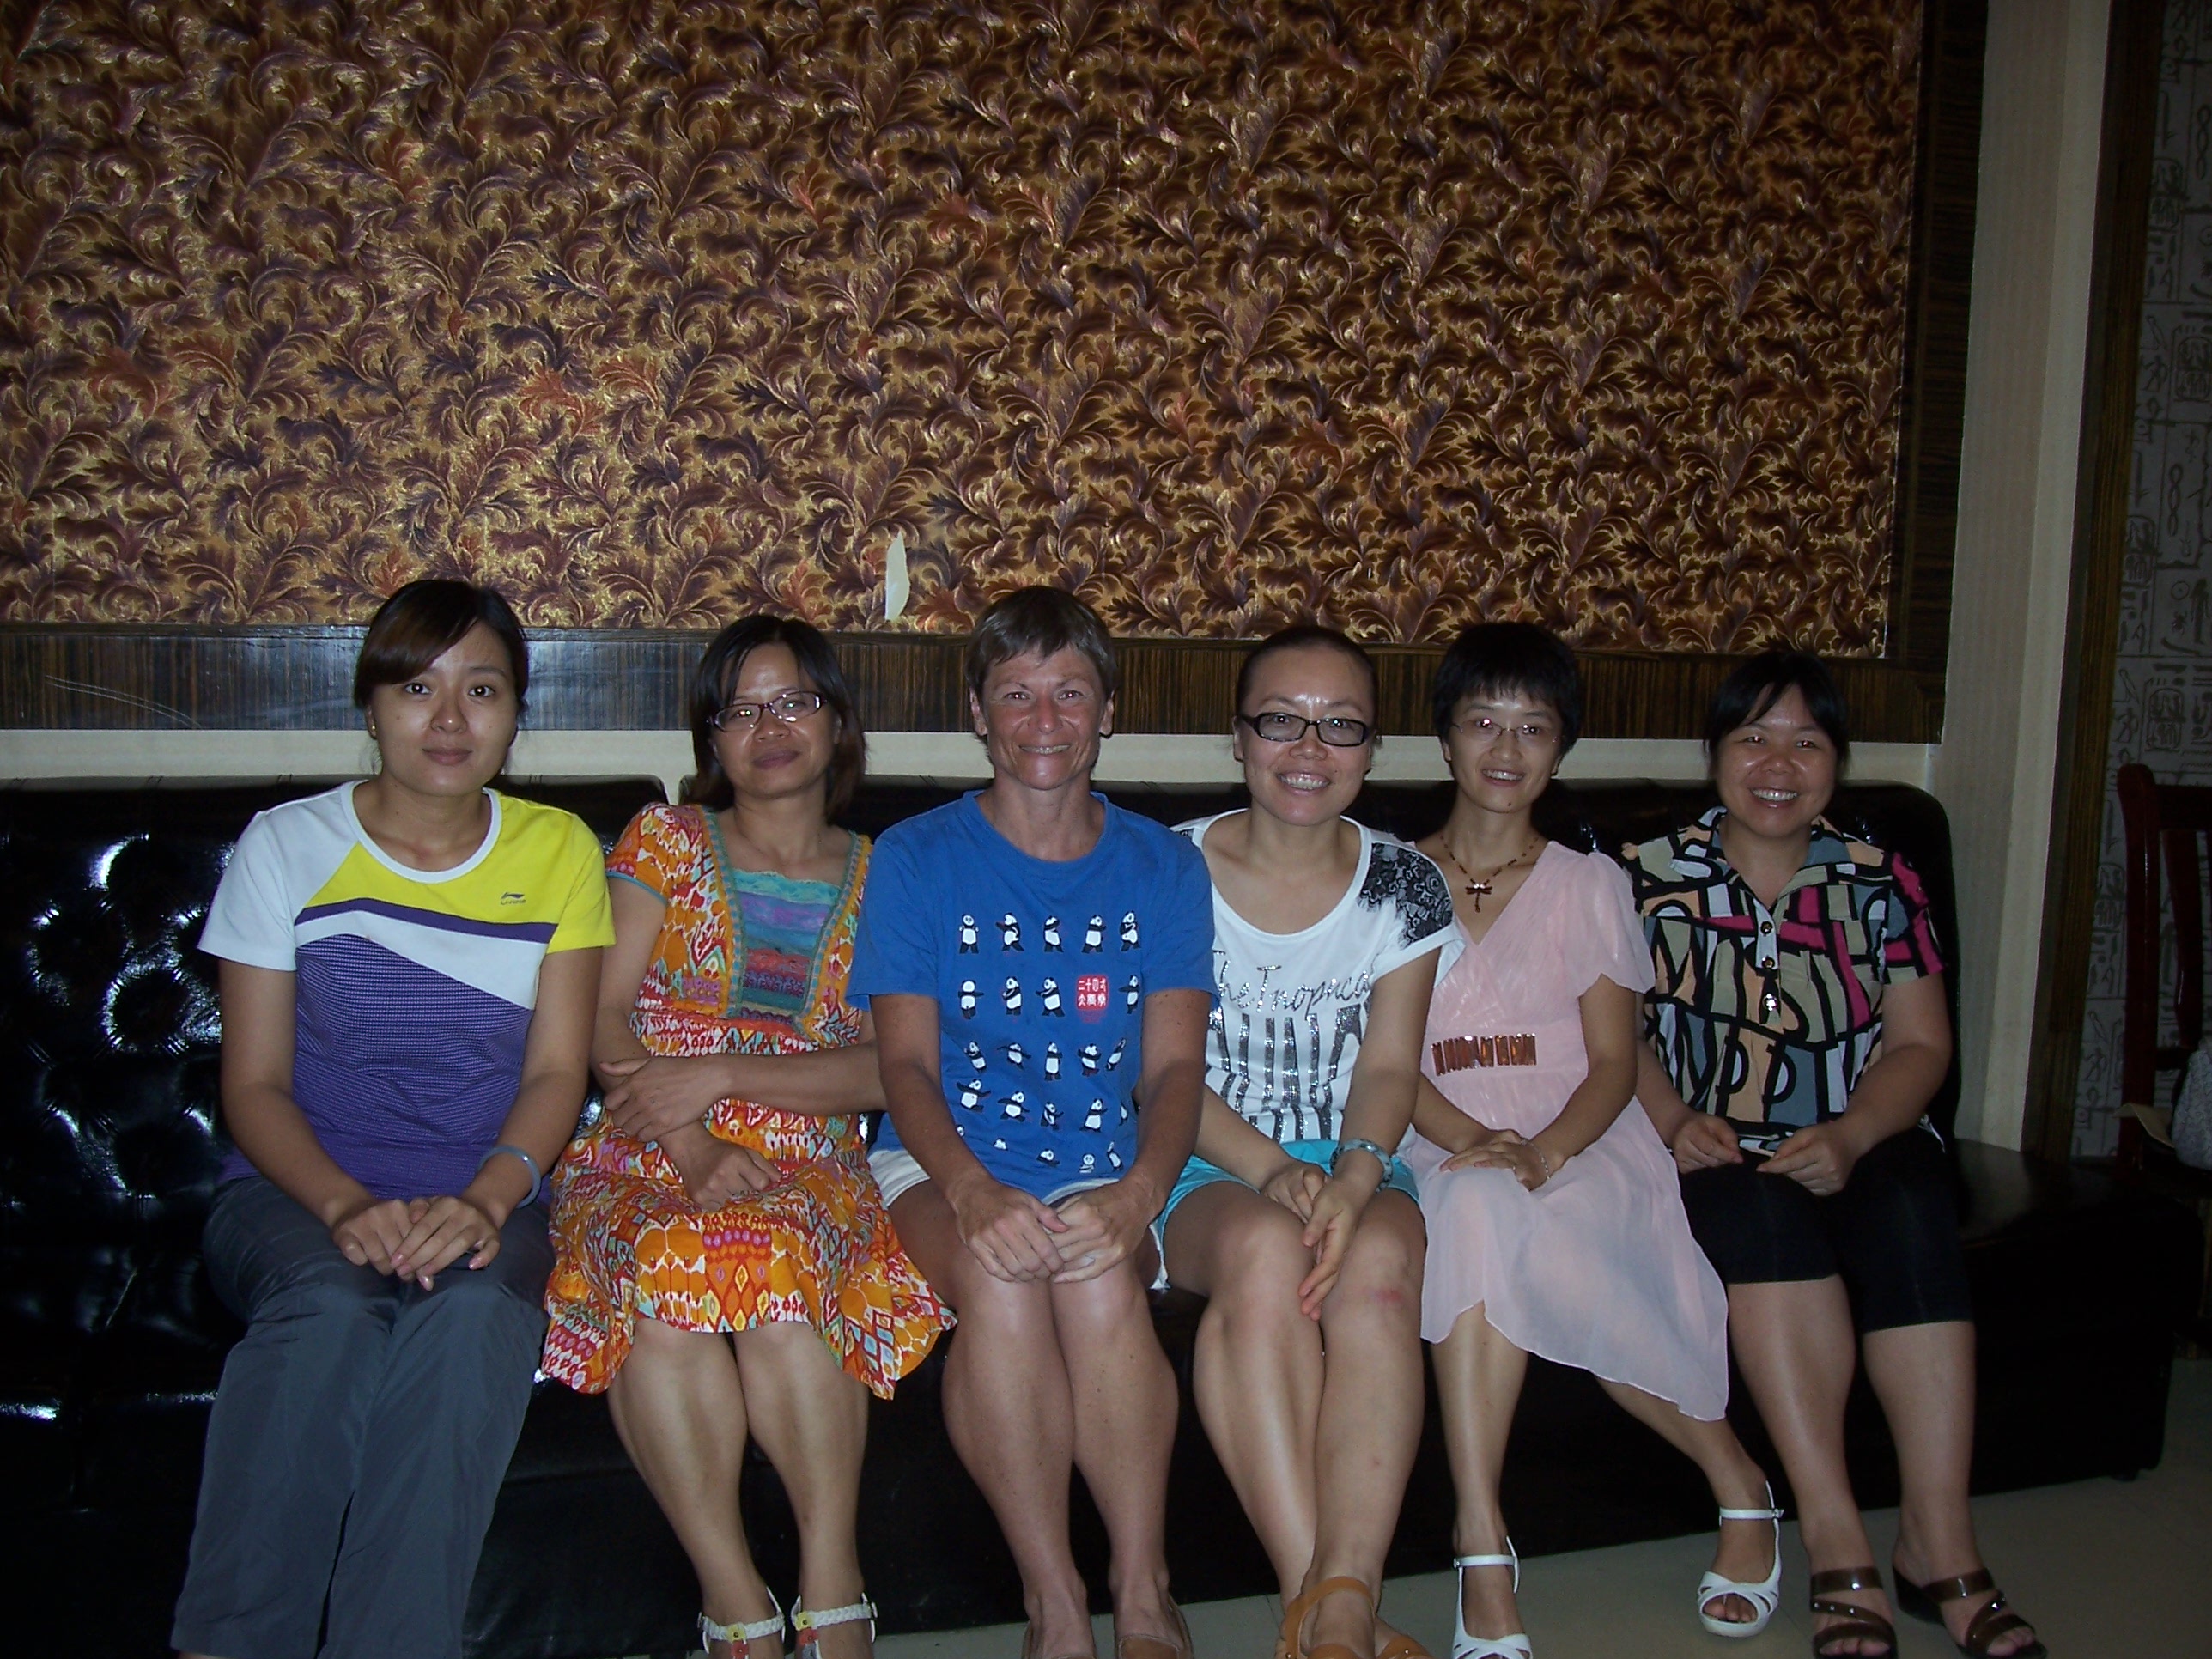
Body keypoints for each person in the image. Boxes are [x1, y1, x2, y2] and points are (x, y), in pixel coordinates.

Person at [172, 580, 611, 1659]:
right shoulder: (286, 844)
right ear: (369, 705)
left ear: (517, 713)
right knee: (329, 1306)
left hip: (488, 1193)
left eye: (483, 690)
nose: (450, 719)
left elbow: (559, 1071)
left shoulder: (559, 848)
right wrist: (343, 1206)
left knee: (473, 1317)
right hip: (292, 1192)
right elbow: (254, 1087)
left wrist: (488, 1199)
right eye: (417, 688)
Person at [543, 617, 950, 1659]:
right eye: (740, 710)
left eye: (793, 702)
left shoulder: (890, 875)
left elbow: (890, 1067)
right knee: (662, 1276)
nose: (769, 729)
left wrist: (725, 1073)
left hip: (808, 1150)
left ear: (837, 722)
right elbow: (599, 1016)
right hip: (643, 1137)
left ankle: (832, 1584)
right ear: (711, 738)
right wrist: (688, 1141)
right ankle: (737, 1605)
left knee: (777, 1272)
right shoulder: (663, 843)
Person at [1627, 651, 2045, 1659]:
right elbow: (1611, 1038)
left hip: (1864, 1132)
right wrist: (1674, 1120)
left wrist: (1853, 1135)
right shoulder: (1642, 877)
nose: (1777, 765)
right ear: (1714, 755)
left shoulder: (1877, 878)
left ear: (1836, 762)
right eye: (1752, 739)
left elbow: (1920, 1046)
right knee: (1757, 1212)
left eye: (1806, 742)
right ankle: (1835, 1537)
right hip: (1710, 1145)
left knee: (1908, 1206)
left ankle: (1938, 1542)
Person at [850, 587, 1214, 1659]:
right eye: (1016, 694)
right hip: (942, 1164)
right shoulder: (913, 856)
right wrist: (970, 1190)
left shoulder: (1163, 866)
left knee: (1096, 1278)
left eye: (1070, 693)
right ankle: (1053, 1602)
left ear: (1108, 712)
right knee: (1001, 1279)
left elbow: (1174, 1067)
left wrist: (1138, 1194)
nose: (1044, 720)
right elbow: (903, 1065)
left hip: (1104, 1162)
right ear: (978, 713)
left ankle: (1142, 1587)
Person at [1404, 623, 1779, 1659]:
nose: (1505, 748)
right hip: (1437, 1131)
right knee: (1472, 1199)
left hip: (1581, 1133)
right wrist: (1479, 1140)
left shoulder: (1588, 882)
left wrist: (1540, 1152)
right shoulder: (1388, 879)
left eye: (1533, 727)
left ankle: (1735, 1481)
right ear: (1444, 735)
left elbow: (1614, 1063)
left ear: (1559, 748)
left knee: (1510, 1215)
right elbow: (1383, 1062)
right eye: (1482, 721)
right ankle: (1481, 1540)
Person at [1164, 625, 1448, 1659]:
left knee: (1377, 1274)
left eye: (1340, 726)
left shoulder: (1403, 882)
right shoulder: (1166, 868)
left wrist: (1354, 1176)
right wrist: (1272, 1169)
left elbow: (1389, 1066)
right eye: (1280, 720)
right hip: (1201, 1157)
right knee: (1263, 1250)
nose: (1308, 748)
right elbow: (1161, 1070)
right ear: (1238, 737)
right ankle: (1325, 1609)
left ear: (1371, 749)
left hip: (1354, 1152)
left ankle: (1338, 1608)